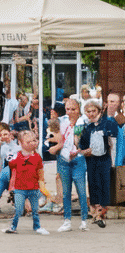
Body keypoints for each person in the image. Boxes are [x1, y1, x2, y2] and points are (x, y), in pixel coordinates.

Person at [77, 98, 115, 228]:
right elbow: (80, 146)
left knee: (104, 183)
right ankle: (96, 212)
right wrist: (84, 151)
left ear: (99, 111)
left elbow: (112, 141)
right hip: (91, 159)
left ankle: (101, 212)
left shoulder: (106, 124)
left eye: (93, 111)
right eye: (88, 111)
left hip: (104, 159)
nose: (91, 113)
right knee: (93, 184)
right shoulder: (85, 128)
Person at [54, 98, 91, 231]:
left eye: (73, 109)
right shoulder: (61, 121)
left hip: (78, 158)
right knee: (66, 192)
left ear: (78, 109)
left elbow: (82, 140)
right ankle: (67, 221)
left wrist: (78, 150)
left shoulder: (83, 121)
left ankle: (84, 220)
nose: (70, 112)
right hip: (64, 159)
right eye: (68, 109)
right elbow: (55, 137)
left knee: (81, 190)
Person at [3, 129, 49, 235]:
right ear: (20, 143)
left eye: (34, 140)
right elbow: (10, 166)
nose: (33, 143)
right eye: (29, 142)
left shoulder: (37, 157)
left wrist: (42, 183)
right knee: (19, 209)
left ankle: (37, 226)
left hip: (33, 187)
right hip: (20, 188)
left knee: (35, 209)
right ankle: (13, 226)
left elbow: (40, 171)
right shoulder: (17, 156)